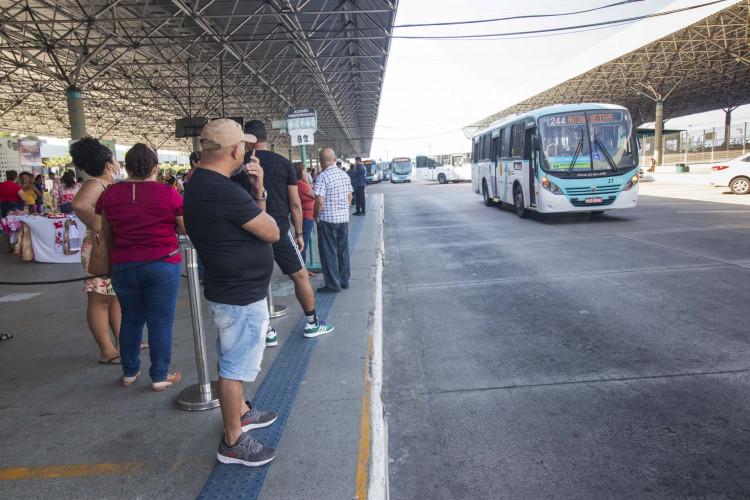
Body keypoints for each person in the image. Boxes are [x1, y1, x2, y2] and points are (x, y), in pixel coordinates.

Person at [182, 118, 280, 467]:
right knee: (235, 367)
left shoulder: (198, 183)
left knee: (232, 358)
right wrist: (259, 193)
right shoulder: (222, 190)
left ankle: (240, 411)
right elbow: (270, 231)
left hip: (231, 287)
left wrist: (254, 190)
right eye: (245, 147)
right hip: (240, 294)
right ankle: (233, 440)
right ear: (237, 150)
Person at [232, 120, 333, 344]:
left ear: (247, 140)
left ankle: (267, 331)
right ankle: (312, 323)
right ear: (266, 138)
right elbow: (295, 203)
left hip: (248, 231)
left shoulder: (238, 164)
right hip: (278, 228)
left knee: (256, 281)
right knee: (299, 275)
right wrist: (298, 233)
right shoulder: (283, 163)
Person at [94, 143, 184, 391]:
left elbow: (104, 228)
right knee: (160, 322)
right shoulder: (168, 193)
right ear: (155, 168)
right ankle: (159, 376)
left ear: (126, 167)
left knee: (131, 319)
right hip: (162, 262)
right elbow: (184, 226)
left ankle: (129, 373)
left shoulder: (110, 193)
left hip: (123, 264)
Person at [70, 138, 124, 365]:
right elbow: (80, 205)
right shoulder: (95, 184)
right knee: (99, 298)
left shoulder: (104, 183)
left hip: (107, 244)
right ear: (107, 163)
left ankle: (121, 343)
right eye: (114, 158)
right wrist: (100, 225)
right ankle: (106, 349)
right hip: (99, 246)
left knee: (113, 297)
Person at [313, 148, 352, 293]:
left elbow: (319, 200)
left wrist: (316, 216)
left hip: (328, 221)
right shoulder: (344, 175)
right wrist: (343, 211)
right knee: (343, 250)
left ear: (320, 161)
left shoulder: (322, 177)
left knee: (328, 252)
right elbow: (350, 197)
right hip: (343, 220)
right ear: (334, 160)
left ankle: (333, 285)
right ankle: (344, 281)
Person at [293, 161, 315, 271]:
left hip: (303, 217)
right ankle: (302, 270)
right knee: (303, 245)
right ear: (301, 172)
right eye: (304, 170)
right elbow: (315, 195)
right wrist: (307, 181)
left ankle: (301, 268)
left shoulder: (295, 184)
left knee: (302, 243)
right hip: (306, 217)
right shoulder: (301, 184)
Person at [0, 170, 27, 252]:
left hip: (4, 207)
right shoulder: (16, 186)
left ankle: (7, 247)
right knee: (18, 226)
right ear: (16, 177)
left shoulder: (1, 185)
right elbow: (24, 198)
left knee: (6, 226)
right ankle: (18, 246)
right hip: (16, 208)